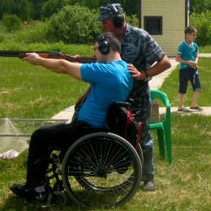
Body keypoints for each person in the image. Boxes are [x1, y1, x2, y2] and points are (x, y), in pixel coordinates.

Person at [11, 33, 133, 200]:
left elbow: (63, 66)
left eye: (96, 49)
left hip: (85, 130)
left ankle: (36, 188)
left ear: (106, 47)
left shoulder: (106, 71)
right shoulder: (126, 69)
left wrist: (38, 60)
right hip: (96, 128)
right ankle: (38, 184)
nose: (94, 55)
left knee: (40, 136)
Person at [94, 3, 171, 192]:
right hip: (112, 98)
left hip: (137, 99)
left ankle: (147, 177)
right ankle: (117, 169)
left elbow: (165, 62)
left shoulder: (140, 37)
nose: (102, 26)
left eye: (105, 22)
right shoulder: (106, 41)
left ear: (118, 20)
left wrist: (144, 74)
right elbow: (98, 68)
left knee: (142, 136)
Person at [175, 26, 203, 112]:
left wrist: (195, 62)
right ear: (187, 35)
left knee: (197, 87)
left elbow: (196, 55)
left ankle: (193, 104)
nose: (195, 37)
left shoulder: (195, 45)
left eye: (195, 35)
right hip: (184, 70)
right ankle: (180, 106)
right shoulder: (182, 45)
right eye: (193, 35)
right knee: (183, 87)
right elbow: (177, 58)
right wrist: (188, 62)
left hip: (193, 69)